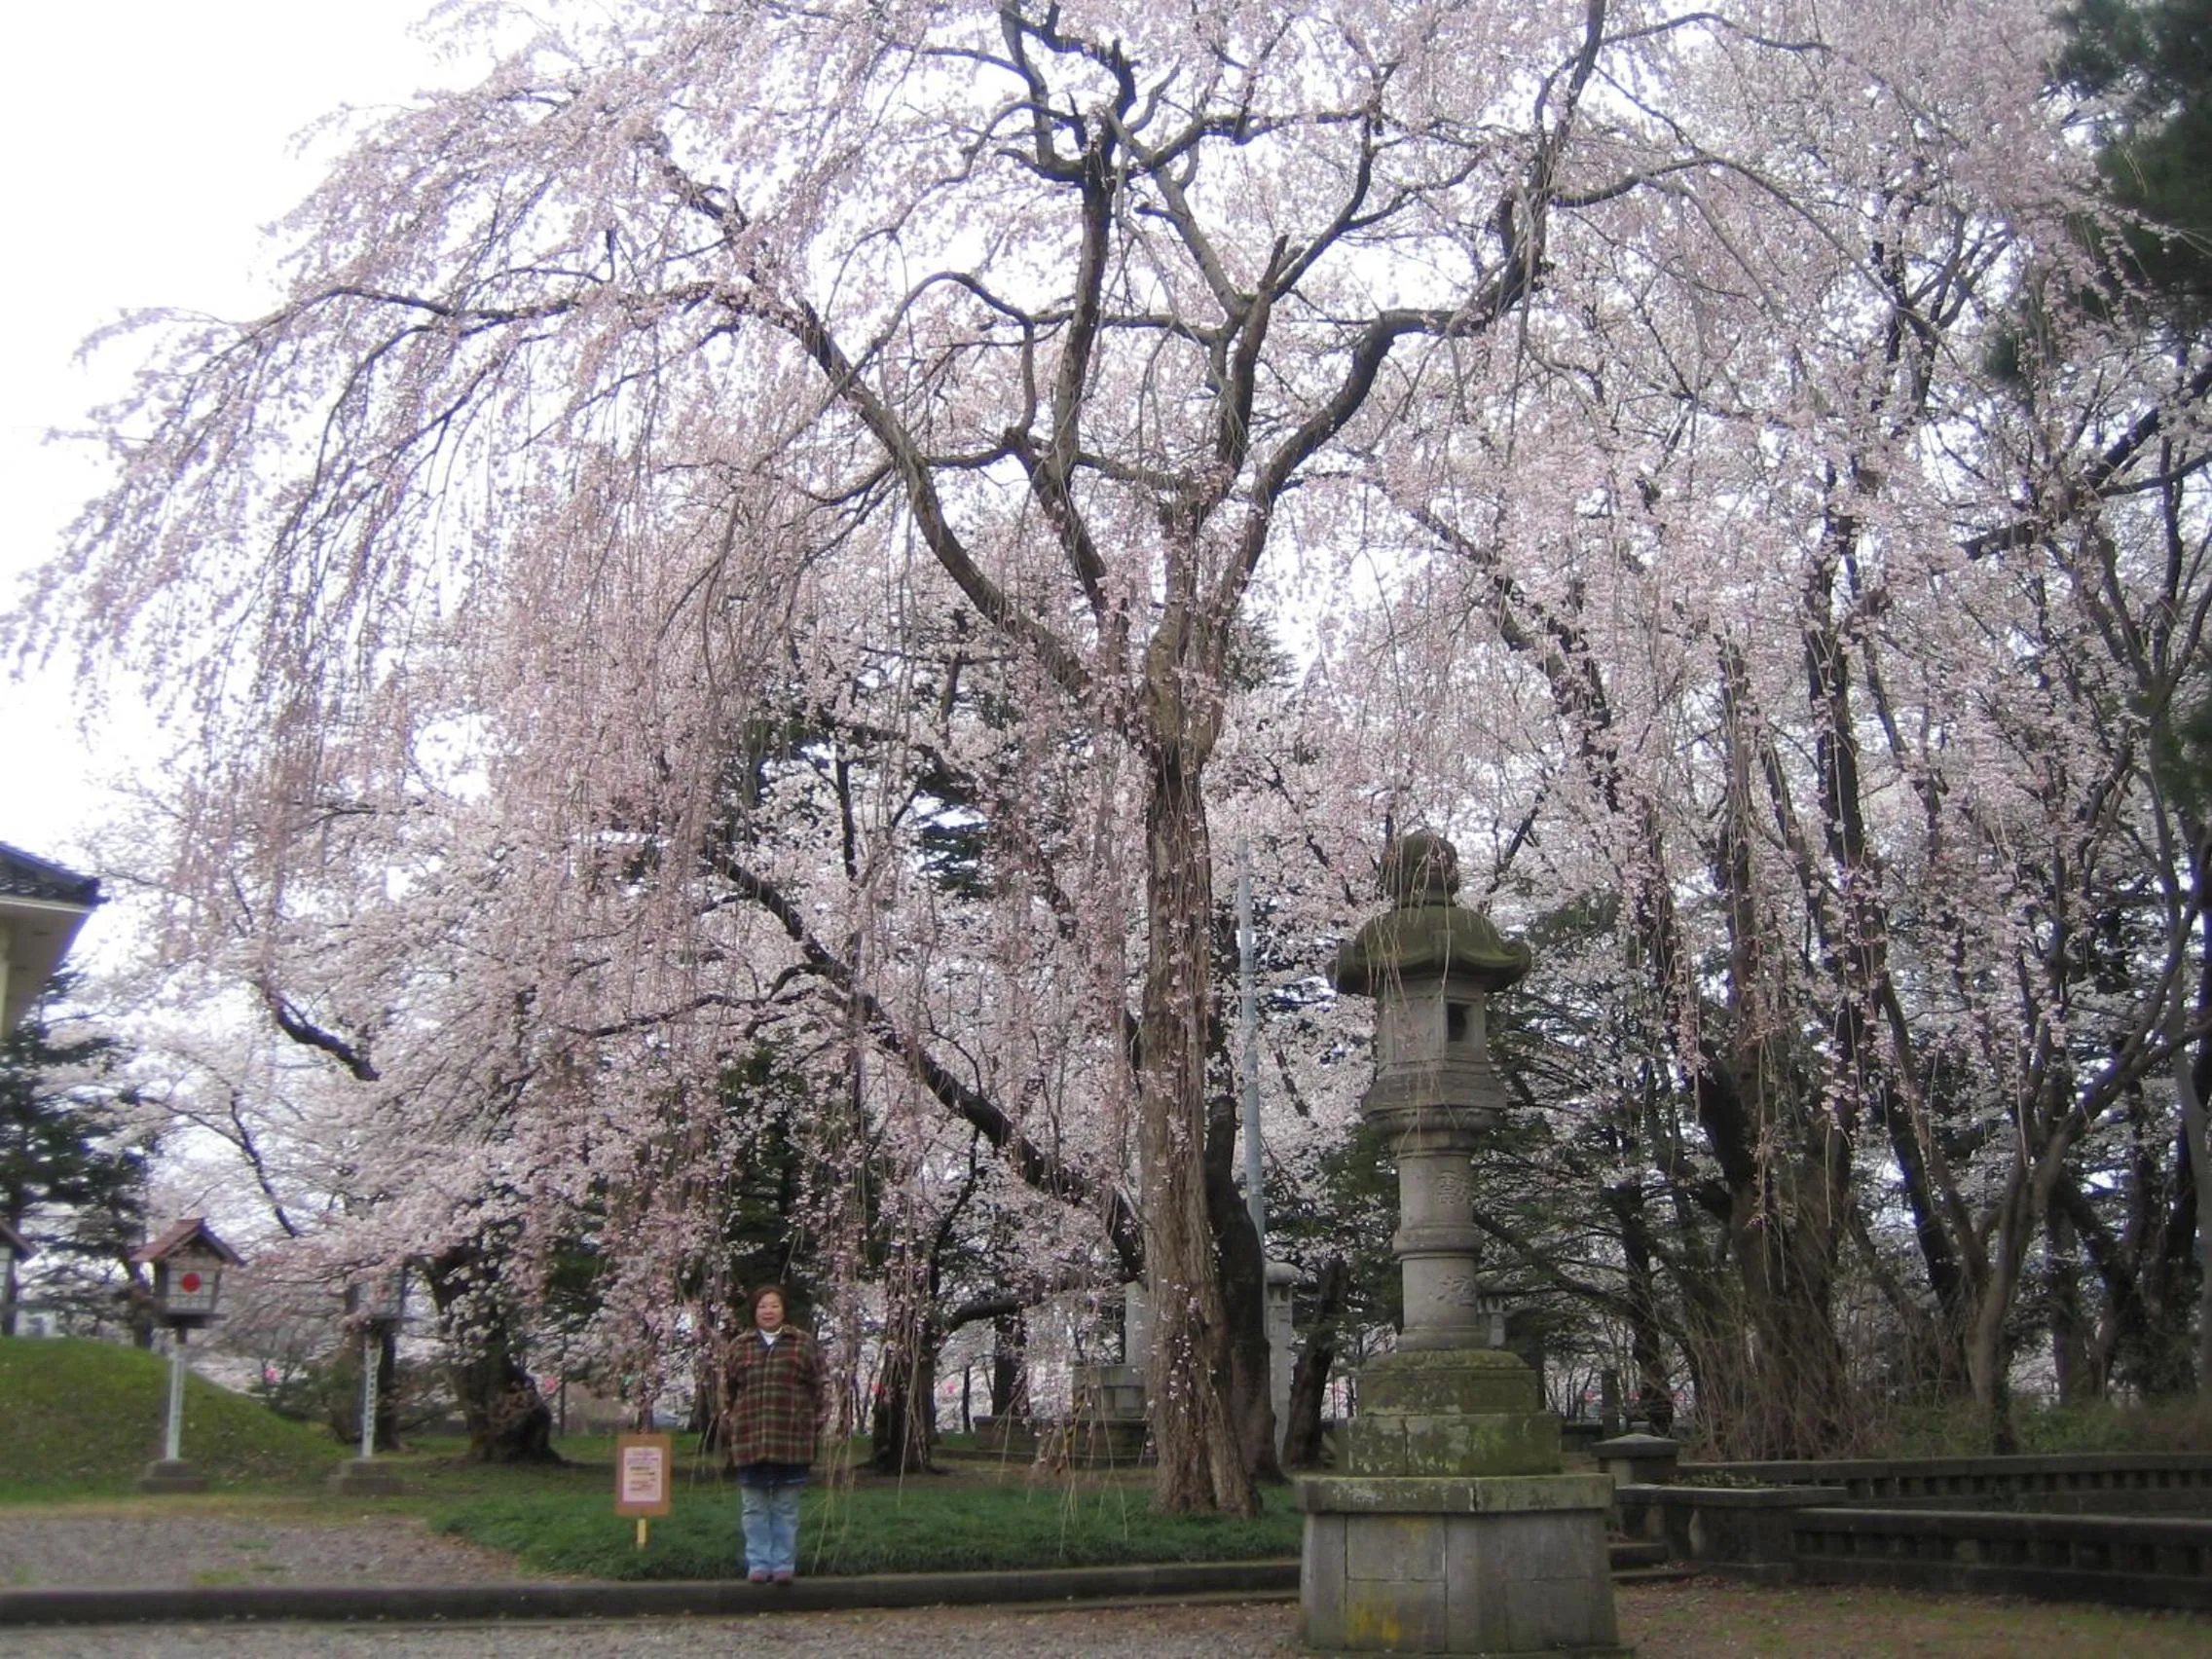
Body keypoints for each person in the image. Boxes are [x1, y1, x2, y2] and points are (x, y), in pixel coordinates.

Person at [727, 1282, 825, 1584]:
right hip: (750, 1436)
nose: (768, 1311)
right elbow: (726, 1390)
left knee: (785, 1506)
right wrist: (731, 1421)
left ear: (784, 1310)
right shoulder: (739, 1346)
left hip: (791, 1438)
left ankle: (783, 1564)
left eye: (774, 1305)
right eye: (762, 1306)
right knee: (754, 1506)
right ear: (754, 1312)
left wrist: (810, 1422)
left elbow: (819, 1387)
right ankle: (758, 1563)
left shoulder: (802, 1343)